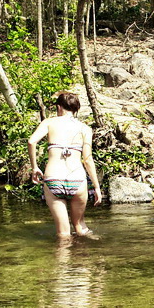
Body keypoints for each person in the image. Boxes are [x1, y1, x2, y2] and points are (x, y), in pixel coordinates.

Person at [28, 91, 103, 239]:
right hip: (77, 180)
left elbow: (31, 141)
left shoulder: (49, 122)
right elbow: (87, 159)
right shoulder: (85, 129)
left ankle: (63, 262)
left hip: (53, 179)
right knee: (81, 227)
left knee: (63, 233)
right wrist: (97, 187)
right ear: (76, 110)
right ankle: (93, 255)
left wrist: (35, 167)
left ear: (59, 107)